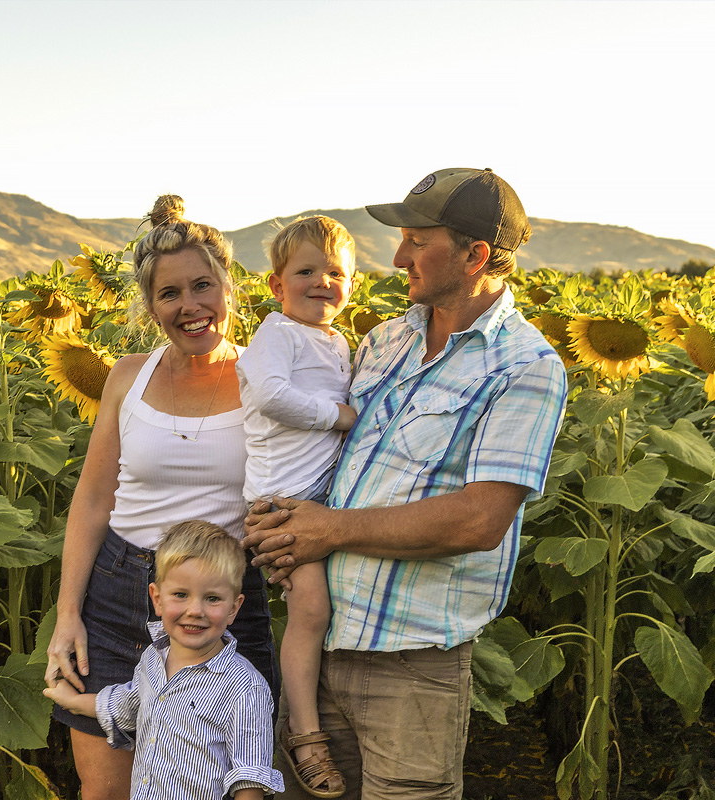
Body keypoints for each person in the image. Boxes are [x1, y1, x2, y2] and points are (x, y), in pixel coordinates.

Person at [243, 168, 569, 800]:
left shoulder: (525, 367)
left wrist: (324, 530)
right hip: (318, 644)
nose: (398, 258)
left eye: (418, 241)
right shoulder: (384, 340)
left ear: (475, 255)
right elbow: (315, 445)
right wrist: (273, 518)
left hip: (412, 670)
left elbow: (480, 520)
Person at [44, 195, 279, 800]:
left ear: (230, 286)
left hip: (222, 600)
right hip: (120, 590)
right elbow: (94, 499)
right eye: (169, 294)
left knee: (223, 783)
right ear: (151, 306)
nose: (189, 307)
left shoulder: (268, 383)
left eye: (203, 286)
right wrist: (68, 613)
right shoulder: (129, 375)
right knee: (107, 791)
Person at [236, 216, 359, 798]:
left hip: (321, 501)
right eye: (306, 270)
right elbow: (266, 394)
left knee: (324, 610)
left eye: (335, 272)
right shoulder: (277, 334)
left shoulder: (337, 341)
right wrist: (337, 417)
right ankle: (304, 734)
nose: (322, 281)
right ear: (276, 285)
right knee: (309, 611)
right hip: (283, 504)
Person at [44, 520, 286, 800]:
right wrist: (73, 702)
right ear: (157, 599)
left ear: (234, 608)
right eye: (181, 595)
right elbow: (128, 704)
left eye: (212, 598)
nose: (195, 610)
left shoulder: (244, 688)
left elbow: (249, 779)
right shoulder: (153, 659)